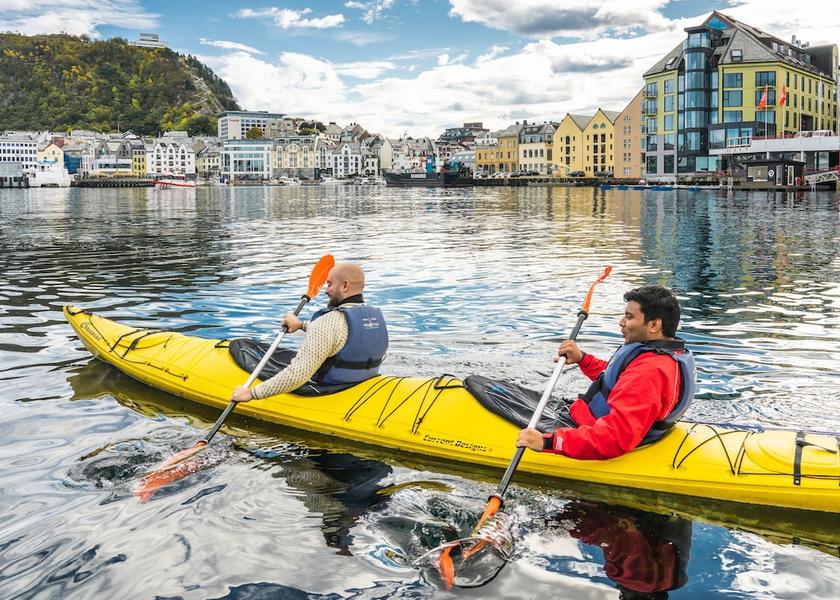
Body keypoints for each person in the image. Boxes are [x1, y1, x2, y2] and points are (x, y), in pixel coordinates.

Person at [516, 285, 695, 460]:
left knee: (491, 393)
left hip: (587, 428)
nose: (622, 322)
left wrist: (547, 442)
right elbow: (622, 382)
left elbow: (614, 438)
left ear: (654, 325)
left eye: (629, 317)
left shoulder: (650, 372)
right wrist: (583, 359)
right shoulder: (665, 356)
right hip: (593, 419)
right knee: (499, 390)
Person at [230, 262, 388, 402]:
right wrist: (300, 325)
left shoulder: (328, 322)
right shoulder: (373, 318)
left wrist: (252, 394)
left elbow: (297, 375)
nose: (326, 290)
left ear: (345, 286)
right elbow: (341, 336)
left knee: (243, 348)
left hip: (328, 389)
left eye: (330, 284)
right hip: (362, 380)